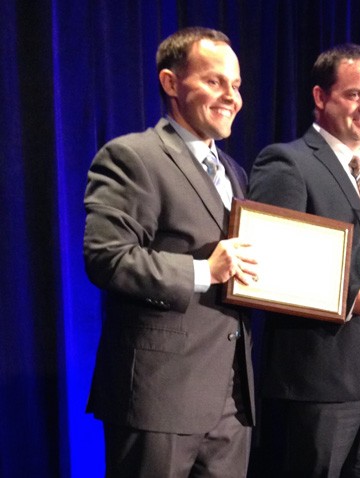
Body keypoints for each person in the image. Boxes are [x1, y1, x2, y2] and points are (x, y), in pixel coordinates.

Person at [83, 27, 258, 477]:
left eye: (235, 85)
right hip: (157, 399)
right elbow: (107, 258)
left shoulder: (235, 173)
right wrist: (203, 271)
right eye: (215, 81)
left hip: (230, 401)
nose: (230, 97)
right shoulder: (133, 156)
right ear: (170, 83)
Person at [247, 43, 360, 477]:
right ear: (321, 97)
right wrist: (351, 299)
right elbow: (268, 264)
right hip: (318, 379)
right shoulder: (288, 162)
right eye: (354, 94)